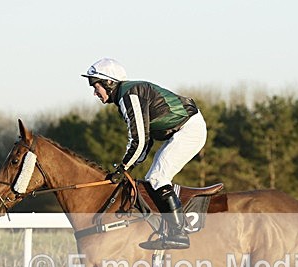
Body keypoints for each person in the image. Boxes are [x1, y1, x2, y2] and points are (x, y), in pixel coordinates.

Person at [82, 58, 207, 250]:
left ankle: (179, 233)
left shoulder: (129, 96)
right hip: (183, 129)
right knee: (152, 179)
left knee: (158, 177)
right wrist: (126, 168)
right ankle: (169, 228)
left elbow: (139, 140)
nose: (94, 92)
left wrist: (123, 168)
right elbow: (145, 141)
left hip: (189, 129)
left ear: (108, 82)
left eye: (95, 85)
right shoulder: (126, 96)